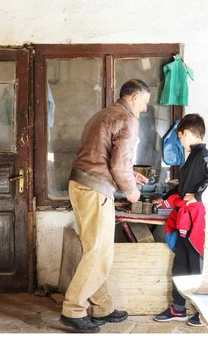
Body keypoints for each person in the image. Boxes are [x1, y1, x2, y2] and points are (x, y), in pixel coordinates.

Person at [60, 79, 151, 333]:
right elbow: (117, 166)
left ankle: (102, 307)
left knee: (93, 250)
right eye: (144, 103)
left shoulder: (103, 114)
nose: (144, 109)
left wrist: (131, 175)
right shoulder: (128, 119)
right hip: (95, 189)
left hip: (80, 184)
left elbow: (102, 155)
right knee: (99, 253)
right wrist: (132, 191)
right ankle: (73, 309)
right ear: (134, 98)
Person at [152, 113, 208, 327]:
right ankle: (177, 308)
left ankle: (203, 311)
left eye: (180, 137)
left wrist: (197, 196)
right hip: (184, 220)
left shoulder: (203, 155)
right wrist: (164, 199)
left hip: (196, 221)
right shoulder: (192, 157)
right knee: (181, 265)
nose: (180, 141)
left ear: (185, 134)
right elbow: (182, 186)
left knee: (196, 264)